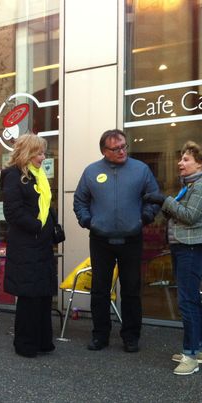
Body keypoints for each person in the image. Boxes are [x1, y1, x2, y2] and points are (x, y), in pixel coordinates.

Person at [73, 129, 160, 353]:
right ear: (104, 151)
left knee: (131, 289)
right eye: (116, 148)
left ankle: (131, 337)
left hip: (132, 238)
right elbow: (80, 200)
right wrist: (88, 221)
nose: (122, 151)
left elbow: (154, 197)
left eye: (124, 146)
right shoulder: (91, 171)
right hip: (101, 240)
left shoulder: (140, 170)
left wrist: (145, 218)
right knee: (100, 289)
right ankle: (100, 335)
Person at [143, 141, 202, 375]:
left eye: (186, 159)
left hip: (193, 248)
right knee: (192, 299)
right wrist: (166, 203)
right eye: (181, 158)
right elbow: (177, 214)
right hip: (184, 247)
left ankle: (191, 356)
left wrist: (164, 200)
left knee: (187, 301)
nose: (180, 163)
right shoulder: (190, 185)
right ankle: (201, 348)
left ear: (201, 162)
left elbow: (190, 217)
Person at [0, 133, 60, 358]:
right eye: (39, 153)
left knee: (43, 294)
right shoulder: (13, 176)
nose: (43, 157)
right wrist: (37, 226)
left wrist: (50, 228)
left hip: (41, 244)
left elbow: (44, 207)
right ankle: (25, 344)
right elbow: (12, 212)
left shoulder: (36, 175)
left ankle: (43, 341)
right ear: (27, 153)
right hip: (26, 244)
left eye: (44, 152)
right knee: (28, 295)